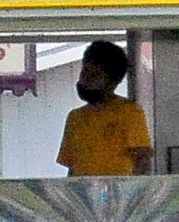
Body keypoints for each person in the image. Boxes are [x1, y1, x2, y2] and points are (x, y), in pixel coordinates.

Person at [55, 40, 154, 177]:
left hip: (119, 193)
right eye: (84, 73)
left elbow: (142, 159)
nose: (85, 81)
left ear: (112, 81)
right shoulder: (75, 118)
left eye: (94, 76)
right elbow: (72, 167)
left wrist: (131, 193)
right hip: (85, 194)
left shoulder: (129, 112)